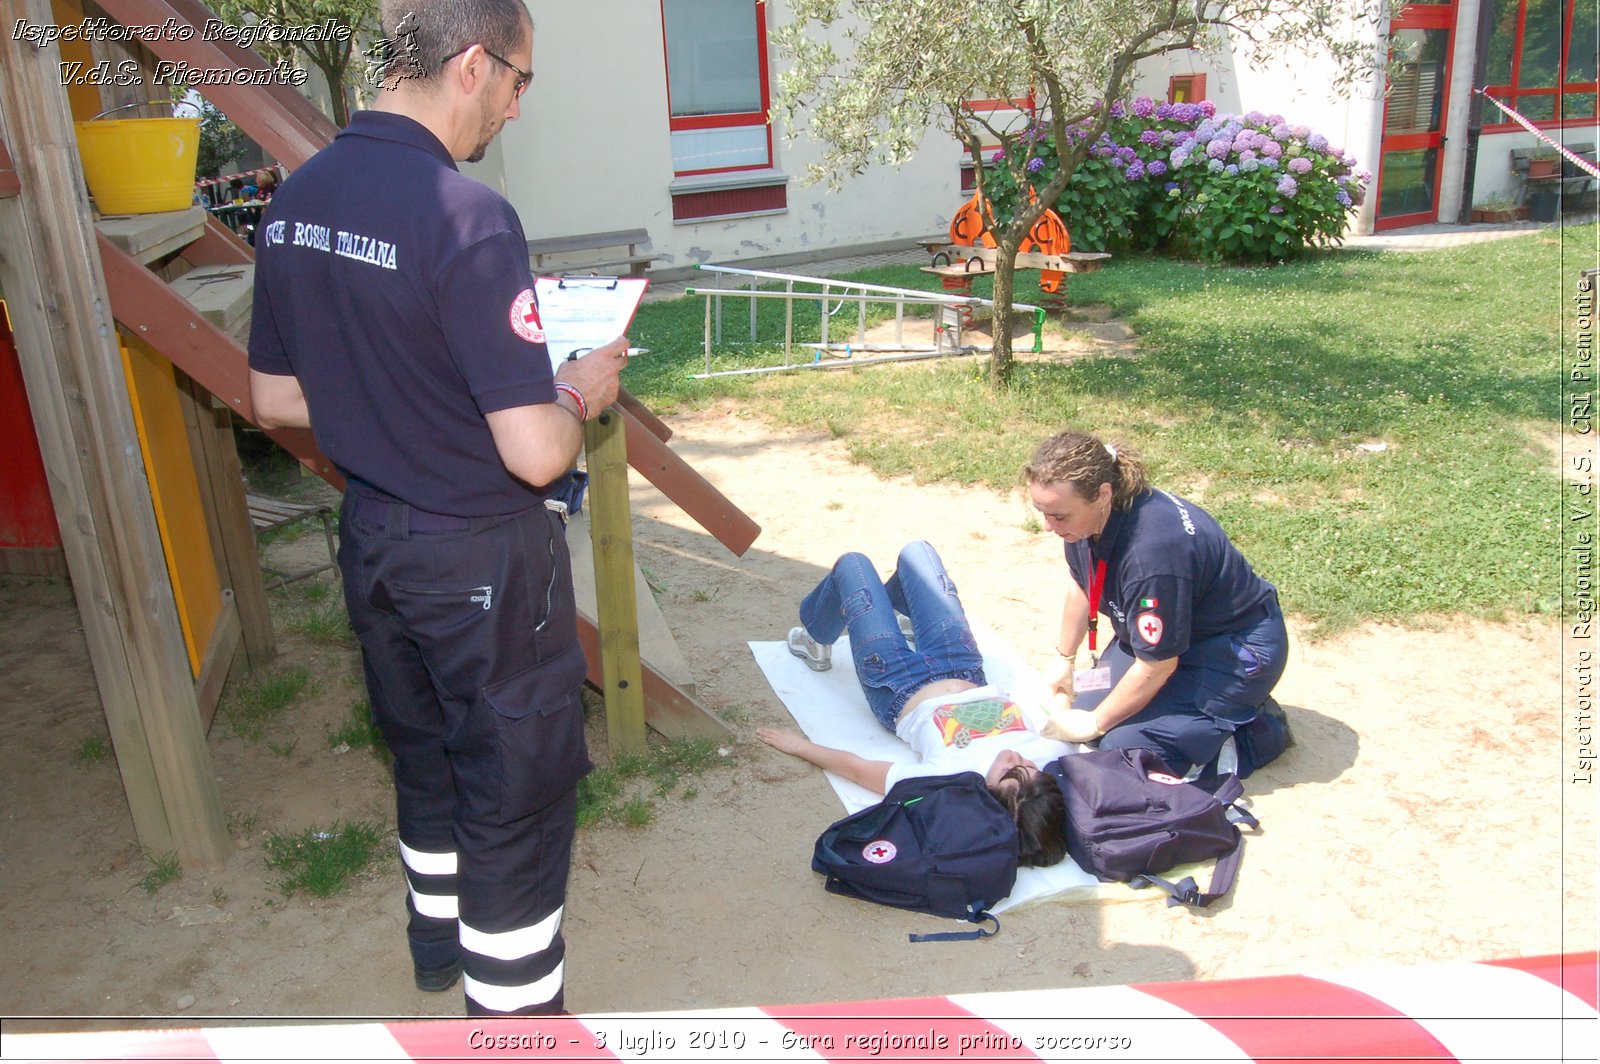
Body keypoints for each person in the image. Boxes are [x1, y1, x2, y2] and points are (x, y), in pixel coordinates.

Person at [247, 0, 629, 1017]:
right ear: (472, 65)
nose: (514, 109)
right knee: (515, 785)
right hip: (480, 553)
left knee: (421, 747)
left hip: (372, 537)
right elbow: (538, 452)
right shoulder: (466, 215)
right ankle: (511, 1025)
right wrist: (583, 384)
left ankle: (434, 941)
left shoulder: (296, 199)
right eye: (518, 82)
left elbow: (275, 397)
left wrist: (394, 391)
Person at [757, 542, 1069, 868]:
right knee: (917, 554)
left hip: (896, 682)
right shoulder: (1049, 761)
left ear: (992, 797)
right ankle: (899, 614)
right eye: (1028, 767)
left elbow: (859, 770)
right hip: (963, 664)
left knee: (854, 565)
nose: (1013, 757)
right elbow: (1065, 719)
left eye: (1008, 771)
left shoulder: (950, 781)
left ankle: (815, 637)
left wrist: (800, 747)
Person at [1023, 430, 1292, 779]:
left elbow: (1157, 666)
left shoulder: (1152, 556)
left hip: (1230, 650)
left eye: (1058, 516)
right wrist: (1065, 658)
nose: (1047, 526)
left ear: (1102, 494)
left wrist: (1095, 722)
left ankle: (1251, 734)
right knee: (1077, 704)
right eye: (1041, 512)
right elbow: (1082, 582)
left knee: (1123, 749)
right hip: (1171, 636)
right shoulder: (1085, 521)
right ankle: (1197, 716)